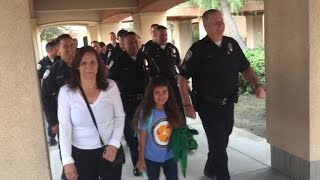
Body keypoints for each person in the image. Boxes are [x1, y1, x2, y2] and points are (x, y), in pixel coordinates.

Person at [178, 9, 266, 180]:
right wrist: (187, 105)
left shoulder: (231, 44)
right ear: (205, 26)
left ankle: (210, 169)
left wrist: (257, 85)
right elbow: (182, 79)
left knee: (222, 139)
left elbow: (246, 68)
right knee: (219, 145)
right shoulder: (198, 49)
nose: (221, 25)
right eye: (215, 23)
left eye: (222, 21)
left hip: (228, 104)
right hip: (207, 106)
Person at [58, 46, 125, 180]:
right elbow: (65, 127)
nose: (88, 67)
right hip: (80, 154)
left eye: (92, 62)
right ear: (77, 66)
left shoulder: (110, 86)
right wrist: (67, 161)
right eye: (83, 63)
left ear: (98, 65)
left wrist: (114, 143)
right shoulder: (66, 92)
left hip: (108, 150)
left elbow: (119, 116)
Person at [109, 31, 160, 176]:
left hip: (145, 102)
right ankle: (138, 163)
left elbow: (156, 75)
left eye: (136, 42)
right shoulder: (118, 60)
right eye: (130, 42)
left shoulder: (146, 58)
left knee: (148, 133)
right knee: (131, 136)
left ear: (140, 43)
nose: (134, 45)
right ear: (123, 45)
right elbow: (109, 82)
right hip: (127, 104)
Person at [41, 34, 76, 180]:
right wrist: (53, 122)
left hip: (84, 120)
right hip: (63, 122)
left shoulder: (83, 65)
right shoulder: (52, 72)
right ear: (58, 49)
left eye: (71, 45)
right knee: (67, 155)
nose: (69, 49)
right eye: (65, 46)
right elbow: (46, 98)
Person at [135, 76, 183, 180]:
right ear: (151, 94)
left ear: (169, 93)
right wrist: (141, 159)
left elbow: (176, 132)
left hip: (170, 156)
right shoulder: (146, 113)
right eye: (157, 93)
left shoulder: (173, 110)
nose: (161, 96)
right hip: (151, 158)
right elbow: (142, 138)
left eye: (164, 92)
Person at [37, 40, 59, 146]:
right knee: (52, 118)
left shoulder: (59, 60)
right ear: (50, 50)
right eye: (56, 48)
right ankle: (52, 136)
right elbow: (37, 78)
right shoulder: (42, 63)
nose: (58, 50)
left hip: (59, 93)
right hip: (49, 95)